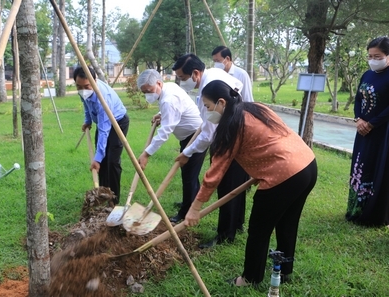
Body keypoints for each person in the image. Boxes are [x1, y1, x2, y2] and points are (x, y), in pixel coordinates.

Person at [184, 80, 317, 286]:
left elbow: (215, 172)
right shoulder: (256, 108)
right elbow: (272, 138)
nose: (208, 112)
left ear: (221, 103)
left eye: (208, 106)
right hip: (307, 165)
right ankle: (284, 271)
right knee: (288, 223)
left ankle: (250, 278)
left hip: (284, 174)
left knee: (258, 229)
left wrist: (195, 207)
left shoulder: (231, 126)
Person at [172, 53, 251, 248]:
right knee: (236, 186)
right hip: (238, 132)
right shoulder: (215, 73)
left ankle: (225, 235)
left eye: (183, 78)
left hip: (230, 139)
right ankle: (237, 224)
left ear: (196, 73)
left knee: (227, 187)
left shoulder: (210, 89)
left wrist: (187, 153)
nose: (182, 82)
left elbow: (207, 135)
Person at [136, 69, 206, 223]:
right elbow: (175, 111)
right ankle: (191, 200)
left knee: (189, 175)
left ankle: (185, 211)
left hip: (195, 136)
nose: (148, 95)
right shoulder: (167, 89)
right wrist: (162, 115)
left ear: (159, 83)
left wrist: (147, 154)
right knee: (189, 173)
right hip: (188, 135)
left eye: (149, 90)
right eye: (144, 92)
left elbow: (165, 131)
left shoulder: (169, 99)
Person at [346, 36, 389, 227]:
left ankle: (373, 215)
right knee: (360, 167)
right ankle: (356, 209)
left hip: (382, 134)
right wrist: (359, 119)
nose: (373, 59)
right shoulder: (366, 74)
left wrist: (371, 124)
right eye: (370, 56)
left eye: (377, 56)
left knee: (377, 168)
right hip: (363, 132)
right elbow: (357, 99)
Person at [73, 66, 129, 204]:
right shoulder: (83, 90)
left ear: (95, 80)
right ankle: (104, 193)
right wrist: (87, 121)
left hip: (118, 122)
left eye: (87, 86)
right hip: (102, 121)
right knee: (103, 161)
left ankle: (114, 200)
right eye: (79, 86)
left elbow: (104, 131)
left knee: (112, 161)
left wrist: (96, 159)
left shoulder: (103, 99)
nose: (82, 90)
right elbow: (86, 104)